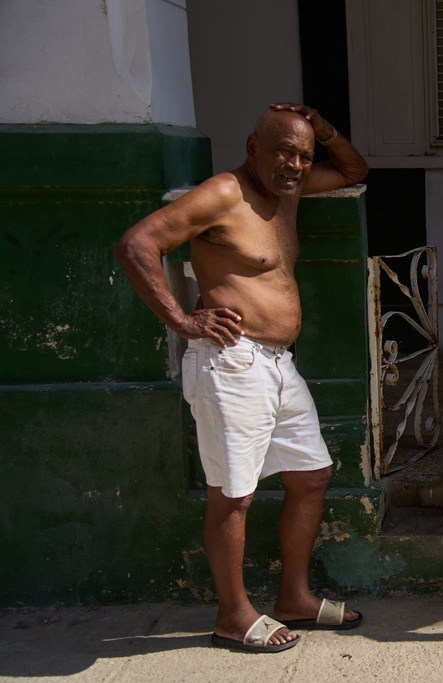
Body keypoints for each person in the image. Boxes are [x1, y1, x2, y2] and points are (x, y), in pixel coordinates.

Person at [115, 103, 369, 653]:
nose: (295, 164)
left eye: (303, 156)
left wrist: (322, 129)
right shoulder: (223, 194)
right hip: (232, 362)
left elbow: (354, 172)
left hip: (279, 364)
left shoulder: (289, 192)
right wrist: (183, 321)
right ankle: (233, 615)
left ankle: (294, 598)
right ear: (254, 146)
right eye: (284, 151)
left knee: (311, 475)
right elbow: (138, 244)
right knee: (232, 495)